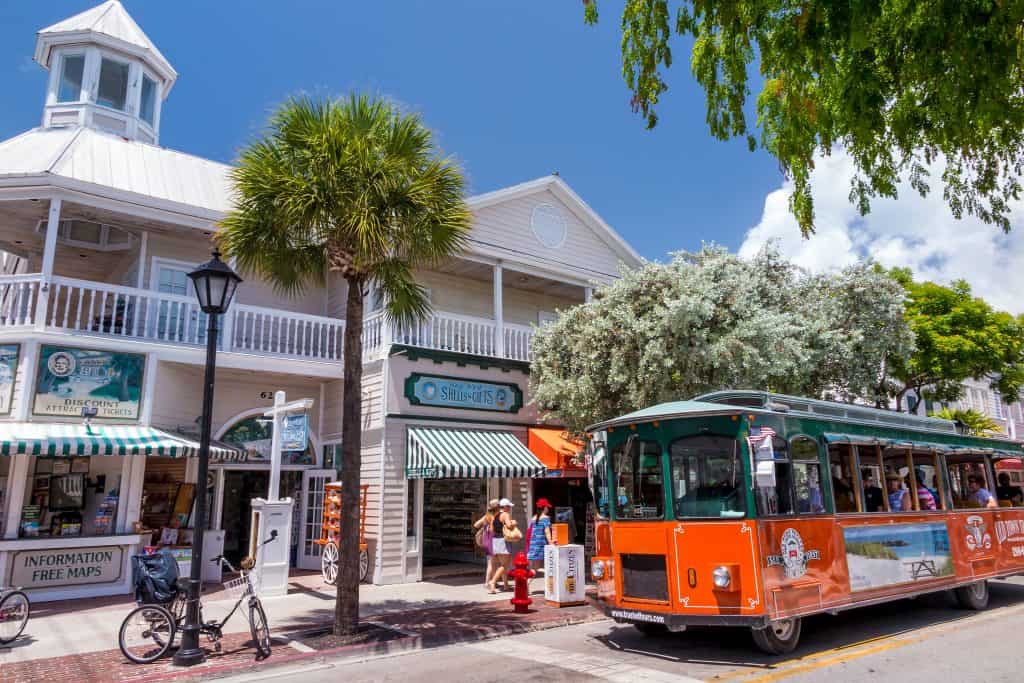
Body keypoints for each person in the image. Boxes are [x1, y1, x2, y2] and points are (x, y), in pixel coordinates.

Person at [487, 498, 518, 594]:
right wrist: (514, 522)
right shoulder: (505, 514)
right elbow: (509, 526)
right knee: (505, 565)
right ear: (504, 507)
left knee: (499, 565)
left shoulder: (493, 516)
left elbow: (491, 530)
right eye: (508, 506)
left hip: (494, 541)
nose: (509, 508)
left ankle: (506, 585)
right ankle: (493, 582)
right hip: (503, 541)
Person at [526, 498, 554, 593]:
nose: (548, 509)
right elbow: (547, 532)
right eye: (547, 507)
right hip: (541, 545)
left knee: (534, 568)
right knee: (547, 566)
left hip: (533, 545)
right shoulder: (546, 518)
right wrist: (551, 543)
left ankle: (527, 584)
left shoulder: (533, 518)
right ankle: (550, 587)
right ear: (544, 508)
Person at [473, 499, 499, 590]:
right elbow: (494, 529)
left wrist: (483, 528)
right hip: (492, 540)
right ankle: (487, 582)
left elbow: (476, 525)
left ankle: (493, 580)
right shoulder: (495, 516)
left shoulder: (486, 516)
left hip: (486, 540)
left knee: (492, 562)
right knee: (491, 563)